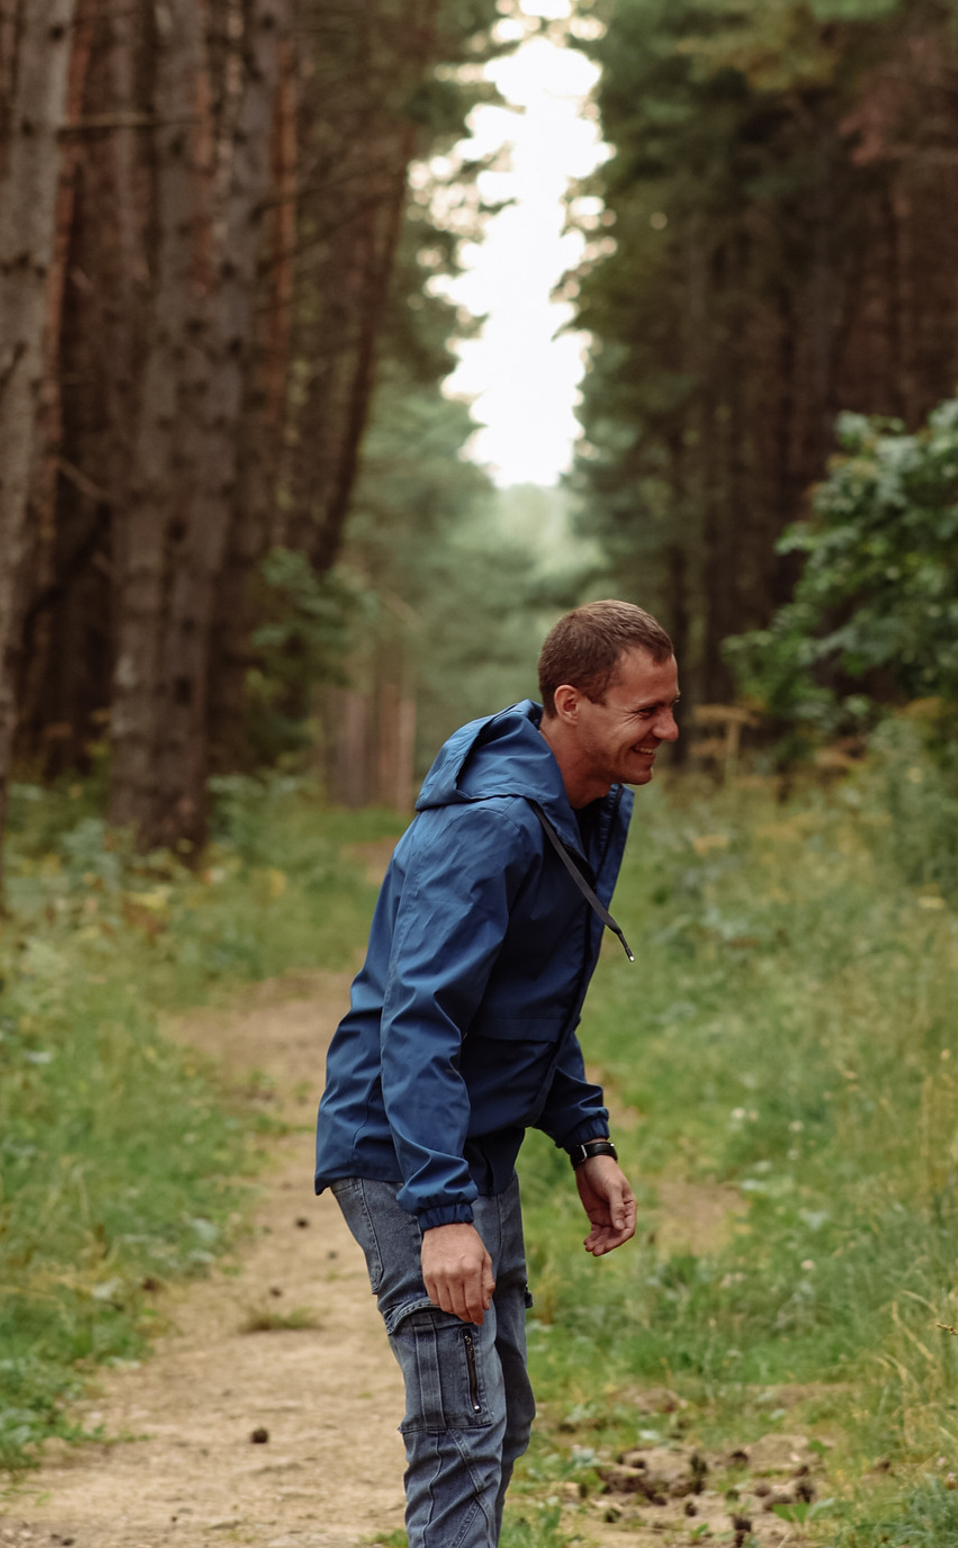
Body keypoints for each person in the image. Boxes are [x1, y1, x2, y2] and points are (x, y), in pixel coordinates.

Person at [316, 600, 680, 1544]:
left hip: (478, 1140)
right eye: (646, 712)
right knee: (460, 1428)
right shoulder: (492, 826)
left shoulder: (594, 807)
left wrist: (583, 1136)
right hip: (404, 1147)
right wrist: (441, 1215)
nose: (669, 731)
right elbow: (420, 1022)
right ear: (570, 703)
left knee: (501, 1414)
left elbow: (536, 994)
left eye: (671, 705)